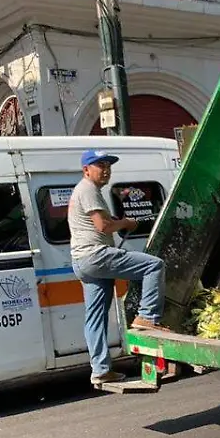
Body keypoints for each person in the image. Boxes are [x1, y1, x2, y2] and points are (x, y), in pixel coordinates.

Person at [68, 149, 170, 386]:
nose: (106, 170)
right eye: (100, 165)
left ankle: (100, 369)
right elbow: (103, 226)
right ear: (86, 170)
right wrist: (126, 223)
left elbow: (100, 223)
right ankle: (147, 316)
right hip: (96, 257)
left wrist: (118, 223)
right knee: (154, 265)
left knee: (95, 317)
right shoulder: (88, 189)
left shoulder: (83, 191)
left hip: (82, 261)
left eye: (108, 165)